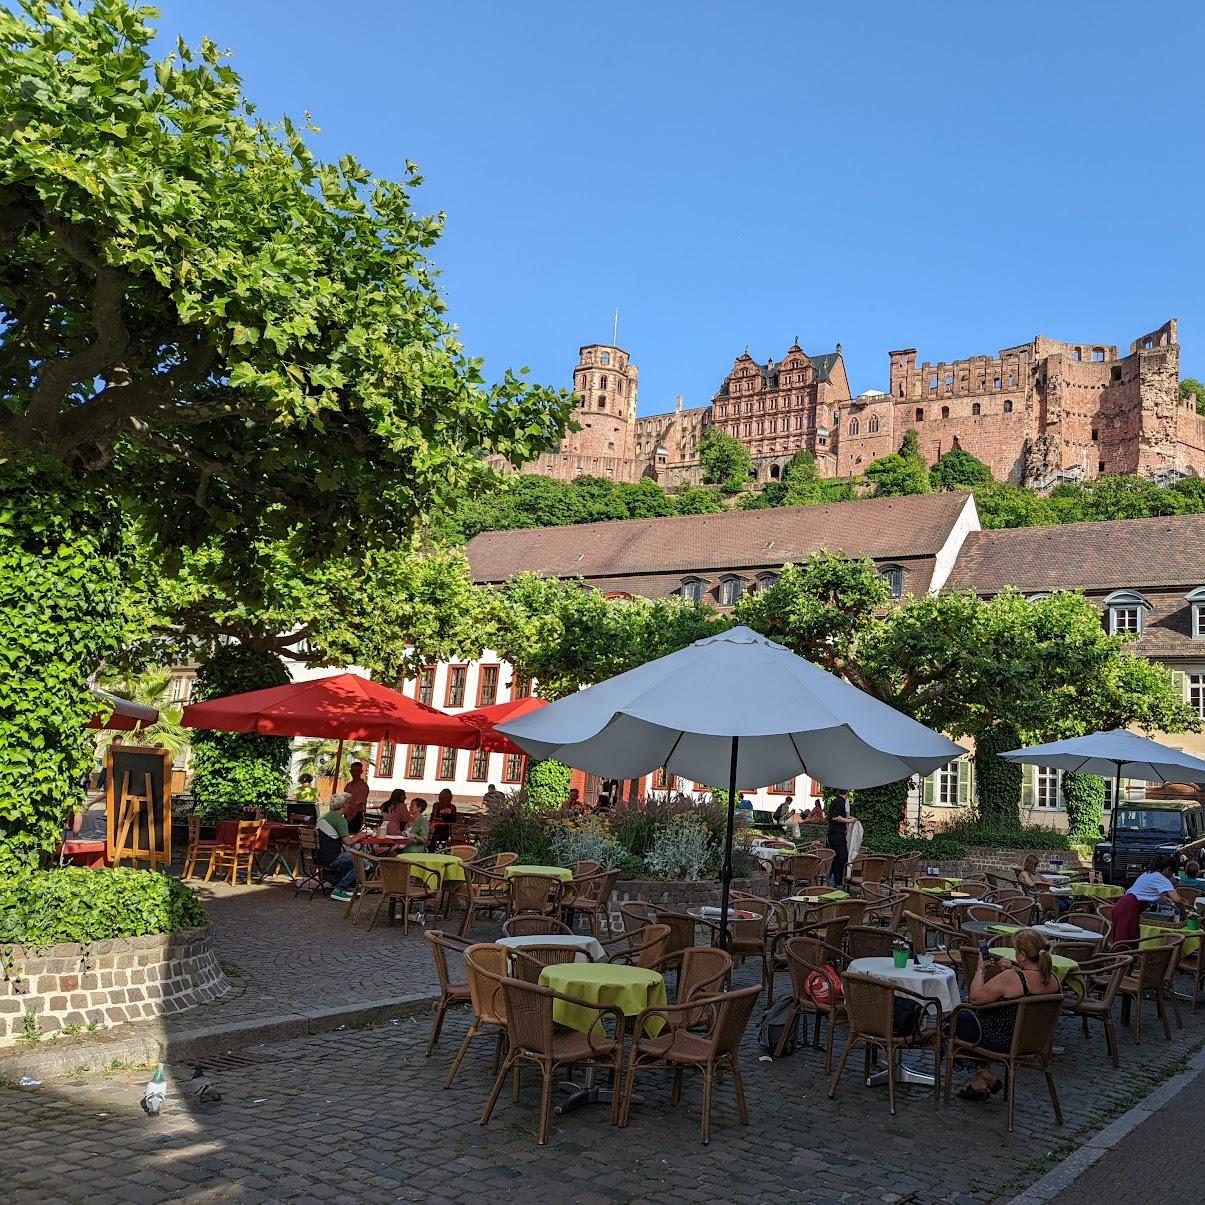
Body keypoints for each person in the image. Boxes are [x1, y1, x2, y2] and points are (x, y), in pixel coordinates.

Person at [956, 928, 1063, 1100]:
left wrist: (980, 969)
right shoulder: (1054, 979)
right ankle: (979, 1083)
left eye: (1016, 951)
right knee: (973, 1019)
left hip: (1004, 1041)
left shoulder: (1011, 978)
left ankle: (985, 1074)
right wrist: (1011, 969)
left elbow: (975, 998)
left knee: (957, 1019)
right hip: (1034, 1042)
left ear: (1022, 955)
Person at [1111, 854, 1187, 942]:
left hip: (1121, 905)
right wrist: (1185, 916)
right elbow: (1177, 900)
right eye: (1172, 873)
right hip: (1129, 909)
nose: (1171, 876)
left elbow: (1151, 894)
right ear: (1168, 869)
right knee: (1124, 943)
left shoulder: (1147, 874)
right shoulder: (1162, 879)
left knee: (1119, 941)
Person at [319, 795, 363, 901]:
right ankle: (340, 888)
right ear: (344, 805)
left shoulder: (323, 817)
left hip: (319, 857)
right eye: (349, 803)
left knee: (351, 860)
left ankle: (343, 886)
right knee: (360, 861)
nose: (350, 806)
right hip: (333, 857)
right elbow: (347, 842)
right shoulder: (340, 820)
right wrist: (360, 836)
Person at [826, 792, 856, 886]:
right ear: (847, 792)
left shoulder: (835, 801)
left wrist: (847, 818)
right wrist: (849, 820)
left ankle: (832, 880)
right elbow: (835, 817)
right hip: (837, 835)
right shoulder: (841, 802)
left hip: (833, 834)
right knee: (842, 857)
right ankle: (835, 881)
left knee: (837, 857)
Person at [343, 761, 370, 834]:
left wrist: (349, 819)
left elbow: (358, 806)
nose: (355, 773)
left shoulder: (363, 786)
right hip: (346, 815)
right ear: (350, 772)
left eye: (357, 771)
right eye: (353, 771)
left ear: (361, 772)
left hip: (356, 816)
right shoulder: (348, 786)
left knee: (351, 836)